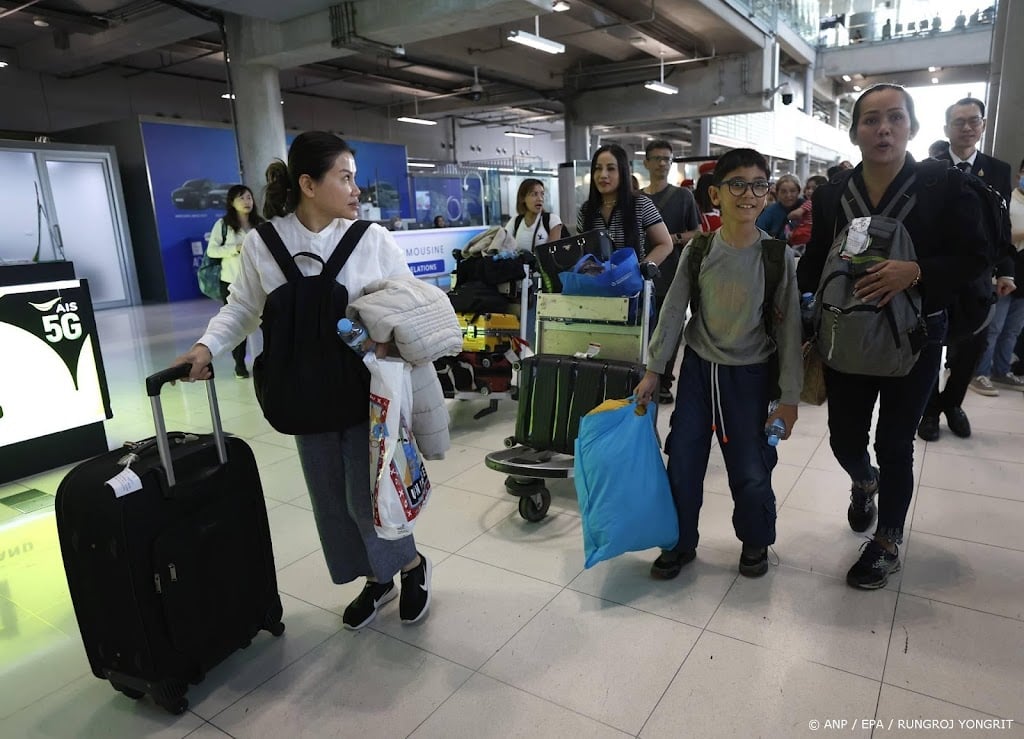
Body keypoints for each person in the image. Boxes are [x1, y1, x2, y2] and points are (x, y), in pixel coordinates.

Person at [172, 131, 433, 629]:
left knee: (371, 497)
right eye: (346, 177)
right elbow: (243, 308)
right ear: (309, 184)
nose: (357, 189)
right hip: (302, 392)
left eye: (355, 178)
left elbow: (411, 304)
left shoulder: (372, 240)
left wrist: (390, 342)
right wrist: (206, 347)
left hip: (366, 391)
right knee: (331, 499)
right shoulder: (264, 244)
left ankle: (411, 565)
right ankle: (376, 580)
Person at [797, 84, 989, 589]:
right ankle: (865, 481)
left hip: (917, 335)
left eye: (895, 118)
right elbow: (816, 261)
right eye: (870, 119)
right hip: (847, 333)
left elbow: (975, 256)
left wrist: (917, 271)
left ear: (912, 127)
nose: (883, 129)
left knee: (895, 440)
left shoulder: (943, 185)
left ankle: (887, 540)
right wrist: (794, 316)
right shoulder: (835, 192)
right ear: (855, 129)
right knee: (843, 438)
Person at [635, 147, 802, 579]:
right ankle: (678, 542)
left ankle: (755, 540)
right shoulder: (700, 250)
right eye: (737, 184)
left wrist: (789, 399)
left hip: (751, 376)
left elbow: (789, 332)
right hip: (698, 372)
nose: (748, 193)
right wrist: (655, 370)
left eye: (758, 185)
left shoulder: (776, 255)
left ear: (766, 193)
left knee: (750, 466)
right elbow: (673, 312)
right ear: (716, 194)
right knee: (684, 461)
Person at [918, 96, 1014, 439]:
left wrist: (1005, 270)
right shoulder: (927, 168)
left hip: (977, 277)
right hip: (935, 274)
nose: (967, 127)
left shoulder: (998, 170)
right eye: (959, 122)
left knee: (973, 346)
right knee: (928, 344)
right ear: (946, 128)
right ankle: (928, 410)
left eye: (974, 121)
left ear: (983, 125)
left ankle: (952, 403)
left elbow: (999, 226)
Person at [641, 140, 701, 404]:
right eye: (657, 158)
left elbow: (697, 232)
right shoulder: (638, 198)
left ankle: (664, 382)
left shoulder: (683, 196)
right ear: (646, 162)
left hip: (673, 270)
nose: (662, 163)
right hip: (643, 272)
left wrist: (671, 238)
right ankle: (644, 376)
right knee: (646, 325)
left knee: (670, 327)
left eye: (667, 158)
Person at [970, 157, 1024, 394]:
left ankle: (1002, 371)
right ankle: (980, 372)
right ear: (1018, 174)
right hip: (1008, 270)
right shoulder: (1009, 203)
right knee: (994, 327)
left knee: (1013, 328)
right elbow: (1000, 238)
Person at [576, 143, 673, 269]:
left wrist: (641, 270)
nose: (603, 175)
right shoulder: (586, 210)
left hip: (632, 286)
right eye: (598, 168)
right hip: (597, 285)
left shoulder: (641, 204)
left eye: (611, 169)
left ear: (623, 172)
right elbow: (580, 252)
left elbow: (665, 244)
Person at [205, 184, 264, 379]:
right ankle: (240, 364)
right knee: (238, 321)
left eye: (249, 197)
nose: (247, 202)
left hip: (261, 281)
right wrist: (234, 248)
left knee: (269, 321)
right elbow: (212, 251)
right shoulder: (223, 225)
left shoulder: (260, 223)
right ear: (232, 202)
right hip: (231, 281)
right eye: (241, 198)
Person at [505, 178, 564, 251]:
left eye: (542, 194)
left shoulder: (552, 220)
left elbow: (552, 253)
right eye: (534, 194)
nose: (540, 199)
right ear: (523, 198)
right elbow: (504, 244)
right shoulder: (516, 221)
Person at [787, 175, 828, 253]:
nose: (809, 191)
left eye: (814, 188)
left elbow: (796, 214)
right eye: (808, 188)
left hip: (805, 233)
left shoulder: (810, 202)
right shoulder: (824, 204)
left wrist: (788, 215)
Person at [756, 173, 802, 240]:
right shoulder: (770, 212)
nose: (788, 195)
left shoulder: (806, 209)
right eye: (783, 192)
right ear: (777, 193)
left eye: (793, 191)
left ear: (798, 192)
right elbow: (757, 234)